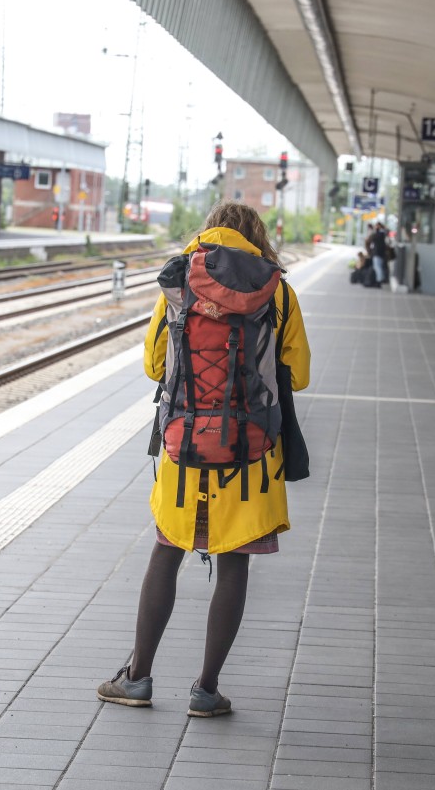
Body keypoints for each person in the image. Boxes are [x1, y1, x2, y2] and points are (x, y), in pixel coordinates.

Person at [97, 200, 311, 717]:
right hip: (251, 453)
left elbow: (155, 365)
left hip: (185, 447)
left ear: (208, 233)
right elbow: (297, 375)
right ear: (255, 236)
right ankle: (206, 690)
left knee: (166, 554)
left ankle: (138, 678)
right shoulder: (277, 290)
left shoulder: (179, 283)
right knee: (234, 561)